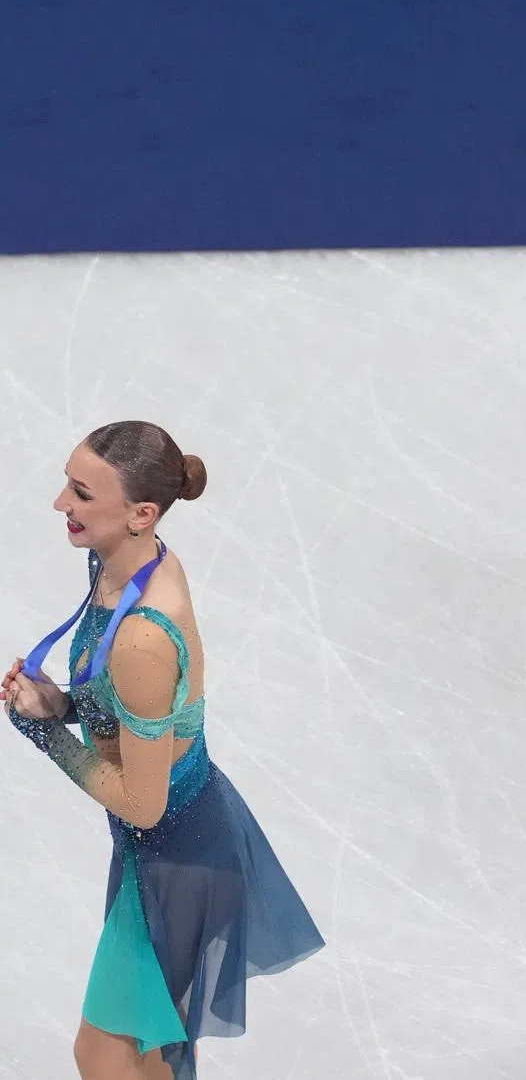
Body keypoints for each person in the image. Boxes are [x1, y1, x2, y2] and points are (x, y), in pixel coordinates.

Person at [4, 421, 324, 1080]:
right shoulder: (127, 560)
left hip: (178, 861)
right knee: (148, 1052)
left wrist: (43, 731)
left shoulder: (144, 638)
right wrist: (61, 702)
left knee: (104, 1053)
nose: (61, 503)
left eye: (82, 492)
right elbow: (122, 713)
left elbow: (143, 804)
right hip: (158, 854)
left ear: (141, 513)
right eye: (69, 483)